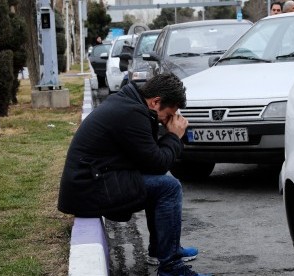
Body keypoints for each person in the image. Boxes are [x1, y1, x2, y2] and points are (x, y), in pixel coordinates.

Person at [58, 74, 210, 276]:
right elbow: (157, 164)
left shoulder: (131, 104)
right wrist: (174, 136)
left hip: (93, 181)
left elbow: (148, 159)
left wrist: (166, 135)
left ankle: (161, 251)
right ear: (156, 102)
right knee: (168, 187)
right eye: (170, 114)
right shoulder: (131, 113)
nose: (171, 119)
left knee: (161, 183)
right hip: (89, 188)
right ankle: (171, 267)